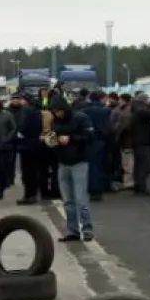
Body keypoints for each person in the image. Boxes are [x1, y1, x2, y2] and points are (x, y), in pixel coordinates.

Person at [50, 96, 94, 241]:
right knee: (68, 201)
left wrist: (71, 138)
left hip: (79, 162)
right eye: (54, 112)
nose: (57, 114)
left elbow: (90, 136)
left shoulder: (80, 118)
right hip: (63, 162)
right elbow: (54, 134)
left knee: (81, 199)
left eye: (59, 111)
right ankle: (72, 231)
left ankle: (87, 229)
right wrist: (52, 140)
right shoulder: (55, 121)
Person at [15, 92, 47, 204]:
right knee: (35, 171)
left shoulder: (27, 111)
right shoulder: (38, 111)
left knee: (27, 172)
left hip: (27, 145)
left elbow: (23, 127)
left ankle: (28, 195)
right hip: (37, 144)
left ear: (25, 100)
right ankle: (34, 194)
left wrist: (19, 134)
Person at [81, 91, 112, 202]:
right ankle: (98, 190)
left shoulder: (85, 111)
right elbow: (108, 127)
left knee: (91, 166)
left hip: (89, 141)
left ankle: (91, 189)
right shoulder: (105, 111)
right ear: (101, 98)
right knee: (100, 166)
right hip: (101, 140)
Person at [130, 93, 150, 196]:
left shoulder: (135, 107)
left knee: (139, 165)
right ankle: (141, 186)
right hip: (142, 140)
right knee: (145, 165)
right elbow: (149, 114)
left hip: (138, 140)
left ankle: (139, 185)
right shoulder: (140, 108)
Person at [113, 94, 135, 190]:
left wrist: (116, 134)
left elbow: (122, 127)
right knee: (127, 161)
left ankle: (128, 182)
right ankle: (128, 181)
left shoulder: (125, 111)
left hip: (126, 141)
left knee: (127, 162)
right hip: (128, 140)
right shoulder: (127, 110)